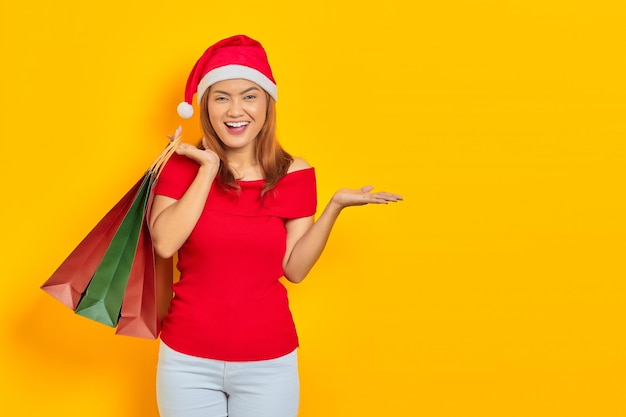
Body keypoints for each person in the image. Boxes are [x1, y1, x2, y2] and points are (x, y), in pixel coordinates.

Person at [149, 34, 402, 417]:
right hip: (186, 360)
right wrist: (209, 168)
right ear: (205, 107)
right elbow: (165, 243)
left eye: (250, 95)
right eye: (222, 97)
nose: (236, 109)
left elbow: (295, 270)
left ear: (268, 104)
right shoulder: (179, 166)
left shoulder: (295, 174)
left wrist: (334, 206)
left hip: (268, 362)